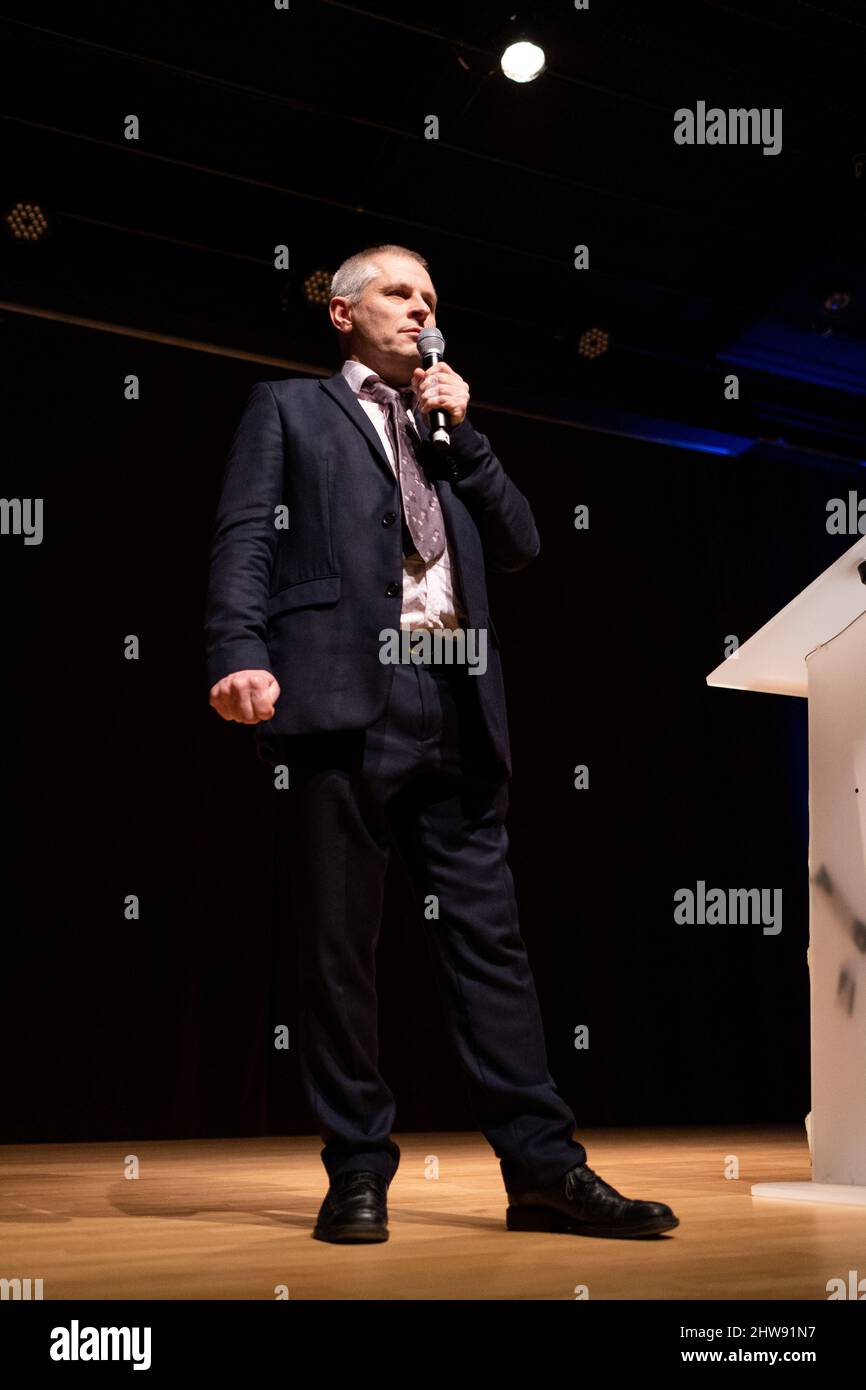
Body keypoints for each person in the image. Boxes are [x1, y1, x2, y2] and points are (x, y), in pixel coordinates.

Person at [205, 243, 679, 1243]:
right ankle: (357, 1171)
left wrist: (465, 437)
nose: (420, 309)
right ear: (341, 313)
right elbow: (244, 537)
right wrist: (235, 652)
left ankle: (544, 1170)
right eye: (397, 292)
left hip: (455, 699)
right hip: (339, 694)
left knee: (490, 948)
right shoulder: (287, 409)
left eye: (431, 298)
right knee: (339, 949)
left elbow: (520, 542)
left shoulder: (445, 428)